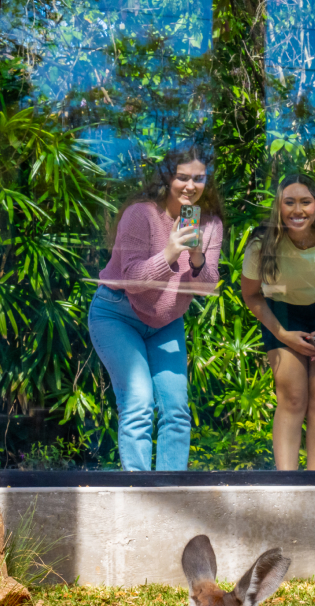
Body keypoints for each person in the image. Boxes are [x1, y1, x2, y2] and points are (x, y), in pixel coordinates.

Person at [89, 146, 224, 471]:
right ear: (167, 180)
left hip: (165, 322)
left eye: (198, 178)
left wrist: (195, 257)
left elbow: (206, 287)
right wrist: (169, 252)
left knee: (176, 409)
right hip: (117, 314)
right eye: (182, 177)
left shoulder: (210, 225)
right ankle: (137, 486)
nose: (190, 185)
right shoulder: (141, 215)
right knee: (138, 400)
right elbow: (133, 280)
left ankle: (171, 490)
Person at [241, 175, 315, 471]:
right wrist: (283, 334)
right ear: (278, 207)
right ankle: (287, 483)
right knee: (292, 396)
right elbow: (251, 295)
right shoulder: (262, 242)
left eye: (305, 202)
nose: (297, 210)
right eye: (289, 202)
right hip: (282, 313)